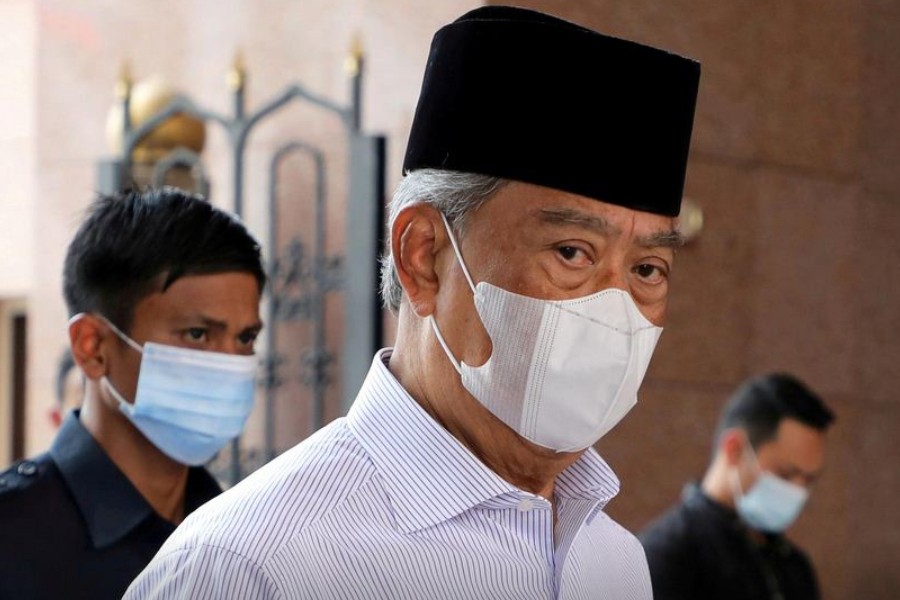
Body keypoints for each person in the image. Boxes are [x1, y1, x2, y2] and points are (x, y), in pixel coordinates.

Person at [124, 6, 701, 599]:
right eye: (572, 253)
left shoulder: (613, 562)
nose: (616, 306)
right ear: (424, 256)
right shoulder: (254, 564)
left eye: (647, 269)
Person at [0, 187, 266, 600]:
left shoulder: (242, 533)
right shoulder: (12, 537)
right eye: (198, 334)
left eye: (245, 338)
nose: (231, 362)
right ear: (93, 347)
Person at [638, 373, 835, 600]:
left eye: (809, 480)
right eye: (785, 474)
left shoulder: (794, 566)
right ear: (734, 449)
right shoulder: (669, 554)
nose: (798, 492)